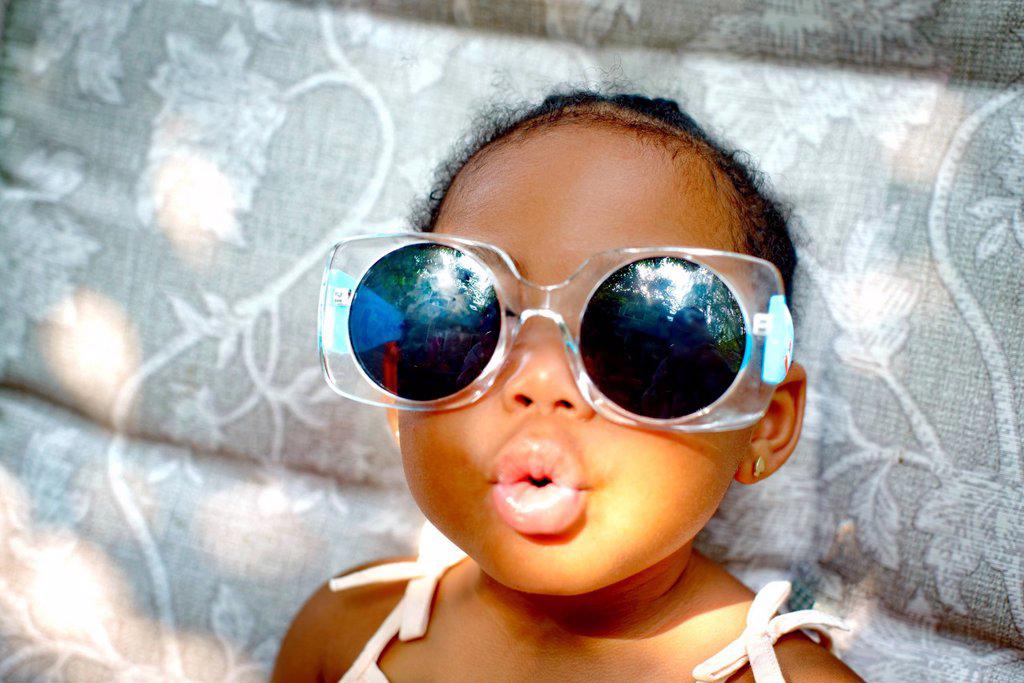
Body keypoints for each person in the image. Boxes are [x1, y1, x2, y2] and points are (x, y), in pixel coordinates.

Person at [273, 88, 863, 682]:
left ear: (764, 423)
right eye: (454, 324)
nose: (541, 381)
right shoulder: (345, 630)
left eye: (650, 339)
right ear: (400, 402)